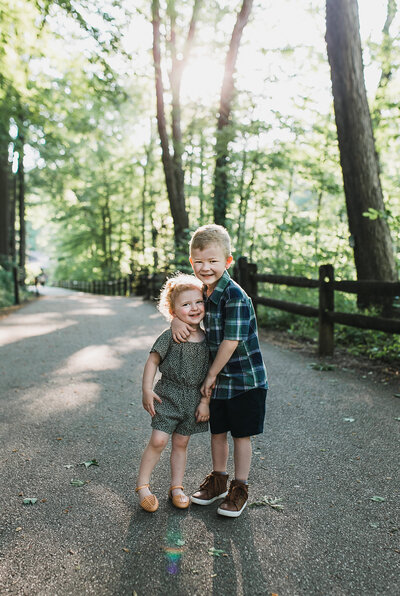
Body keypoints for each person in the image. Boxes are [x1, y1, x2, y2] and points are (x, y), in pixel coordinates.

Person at [171, 224, 268, 518]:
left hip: (245, 379)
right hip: (219, 379)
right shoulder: (202, 291)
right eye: (199, 262)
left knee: (241, 435)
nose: (205, 267)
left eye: (213, 261)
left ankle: (240, 488)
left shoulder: (235, 296)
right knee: (217, 432)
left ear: (227, 261)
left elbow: (230, 341)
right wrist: (176, 321)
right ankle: (218, 481)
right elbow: (184, 307)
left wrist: (210, 376)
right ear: (191, 262)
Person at [136, 273, 210, 513]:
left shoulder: (208, 339)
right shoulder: (172, 334)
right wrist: (147, 389)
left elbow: (212, 375)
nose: (194, 308)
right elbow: (152, 361)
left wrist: (206, 402)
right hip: (168, 395)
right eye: (186, 304)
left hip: (193, 399)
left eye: (198, 302)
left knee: (182, 443)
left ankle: (176, 487)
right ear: (173, 309)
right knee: (158, 440)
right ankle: (143, 487)